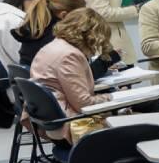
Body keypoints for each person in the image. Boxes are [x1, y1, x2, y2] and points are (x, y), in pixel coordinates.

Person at [27, 8, 114, 143]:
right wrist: (112, 97)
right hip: (72, 126)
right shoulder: (70, 55)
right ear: (91, 36)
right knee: (139, 124)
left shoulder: (52, 46)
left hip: (52, 124)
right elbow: (84, 104)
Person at [13, 0, 86, 68]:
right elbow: (78, 73)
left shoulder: (34, 30)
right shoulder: (59, 38)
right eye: (80, 18)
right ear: (64, 15)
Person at [0, 0, 47, 69]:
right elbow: (26, 59)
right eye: (39, 4)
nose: (40, 10)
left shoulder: (1, 18)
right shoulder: (14, 22)